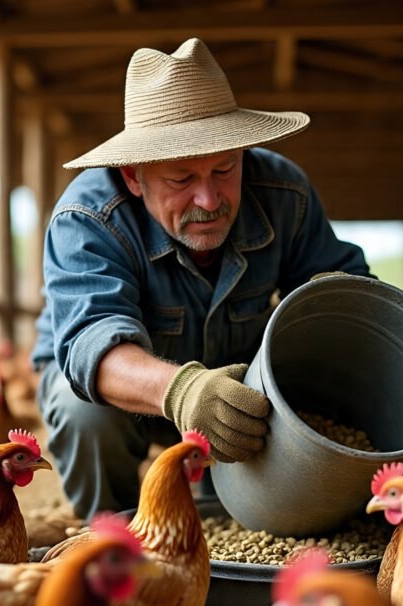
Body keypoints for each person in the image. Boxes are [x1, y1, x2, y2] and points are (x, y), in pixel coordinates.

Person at [31, 37, 371, 519]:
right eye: (181, 179)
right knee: (81, 408)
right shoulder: (88, 217)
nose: (209, 200)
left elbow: (345, 300)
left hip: (238, 400)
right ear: (133, 175)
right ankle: (112, 535)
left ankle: (230, 501)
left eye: (224, 168)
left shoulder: (284, 193)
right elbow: (93, 349)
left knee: (235, 512)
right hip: (127, 400)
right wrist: (184, 391)